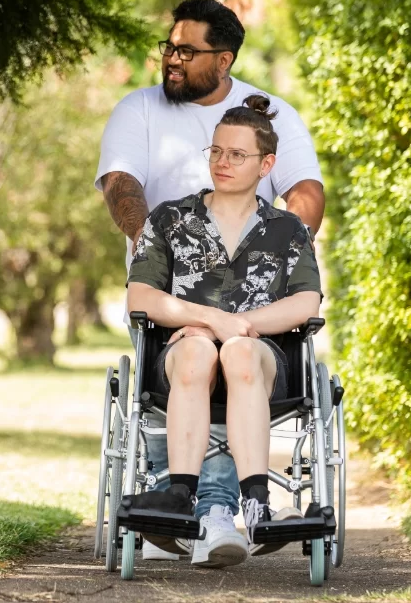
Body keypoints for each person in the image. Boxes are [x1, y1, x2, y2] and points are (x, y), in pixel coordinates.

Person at [95, 0, 324, 567]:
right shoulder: (161, 186)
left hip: (255, 332)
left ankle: (235, 509)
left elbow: (306, 206)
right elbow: (121, 185)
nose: (171, 58)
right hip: (177, 314)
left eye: (186, 50)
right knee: (197, 354)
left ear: (223, 61)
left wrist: (272, 261)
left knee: (241, 355)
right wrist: (158, 252)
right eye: (168, 46)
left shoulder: (277, 148)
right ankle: (196, 503)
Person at [125, 94, 323, 557]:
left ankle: (257, 506)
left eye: (237, 154)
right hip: (180, 363)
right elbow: (141, 295)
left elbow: (306, 300)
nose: (222, 162)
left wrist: (239, 327)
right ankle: (179, 497)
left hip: (260, 365)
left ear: (266, 163)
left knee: (238, 351)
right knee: (198, 349)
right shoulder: (171, 220)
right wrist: (210, 319)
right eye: (216, 151)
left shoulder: (287, 229)